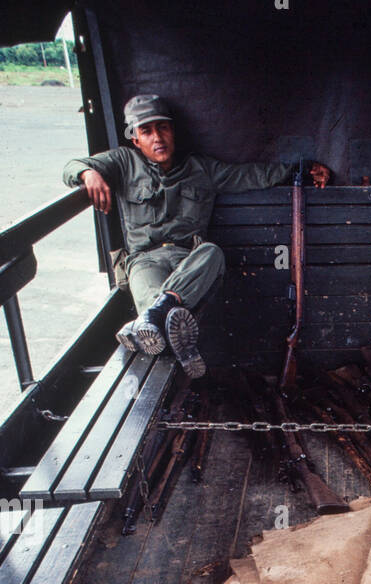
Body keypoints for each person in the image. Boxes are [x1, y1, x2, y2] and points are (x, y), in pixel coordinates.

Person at [63, 94, 330, 378]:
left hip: (190, 262)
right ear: (135, 139)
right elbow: (70, 167)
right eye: (147, 131)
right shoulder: (123, 162)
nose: (157, 137)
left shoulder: (200, 169)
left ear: (173, 130)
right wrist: (87, 173)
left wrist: (300, 169)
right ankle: (176, 339)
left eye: (162, 128)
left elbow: (250, 175)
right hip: (145, 261)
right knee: (153, 314)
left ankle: (159, 316)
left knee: (212, 253)